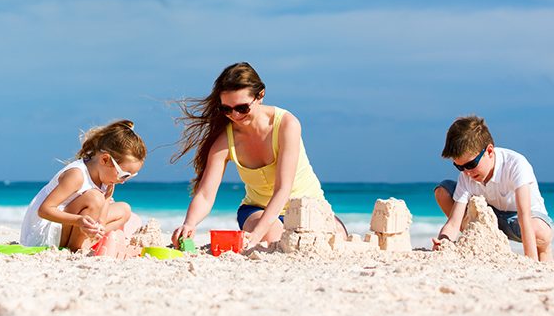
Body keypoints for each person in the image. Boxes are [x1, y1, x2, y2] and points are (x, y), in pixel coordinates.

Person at [170, 62, 345, 249]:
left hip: (307, 207)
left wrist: (255, 235)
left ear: (260, 95)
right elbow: (205, 194)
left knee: (338, 240)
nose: (235, 115)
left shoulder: (286, 124)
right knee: (272, 239)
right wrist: (189, 223)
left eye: (242, 108)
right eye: (226, 109)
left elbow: (283, 188)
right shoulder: (225, 140)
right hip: (257, 211)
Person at [433, 115, 554, 262]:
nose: (467, 172)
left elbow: (524, 217)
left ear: (489, 151)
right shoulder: (466, 175)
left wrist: (530, 261)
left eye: (471, 165)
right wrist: (443, 242)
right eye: (459, 166)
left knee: (540, 233)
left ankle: (544, 252)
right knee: (443, 191)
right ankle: (482, 243)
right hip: (492, 218)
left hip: (522, 218)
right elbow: (453, 222)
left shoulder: (515, 164)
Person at [19, 120, 145, 251]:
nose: (124, 180)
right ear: (105, 159)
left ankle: (89, 241)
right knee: (94, 198)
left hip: (71, 226)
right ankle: (77, 248)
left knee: (125, 210)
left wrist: (99, 227)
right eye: (124, 174)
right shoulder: (76, 175)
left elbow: (102, 215)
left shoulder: (108, 181)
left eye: (130, 176)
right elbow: (44, 210)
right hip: (45, 234)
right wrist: (78, 220)